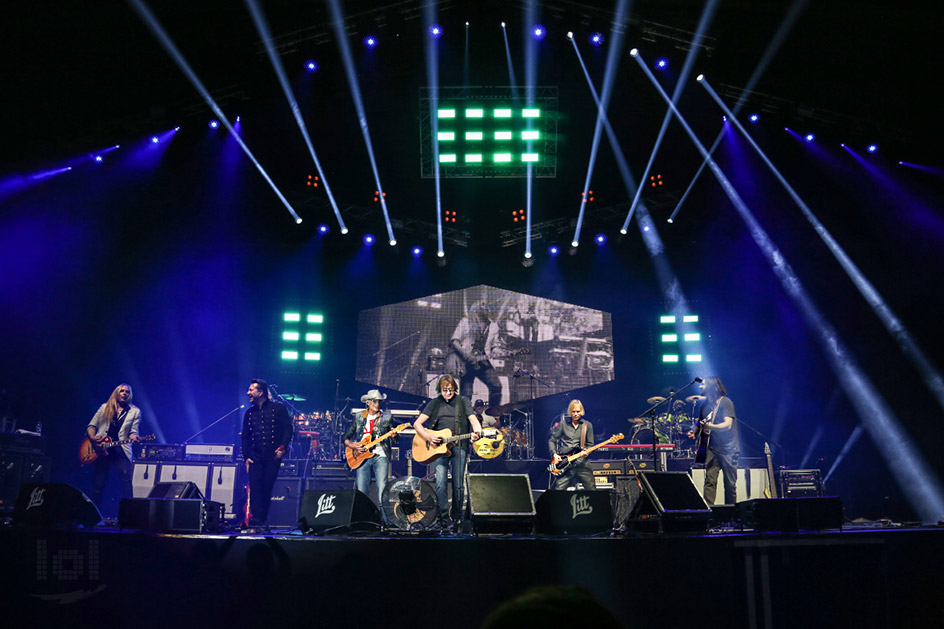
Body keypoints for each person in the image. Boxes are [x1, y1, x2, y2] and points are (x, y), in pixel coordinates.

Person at [413, 375, 482, 529]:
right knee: (440, 484)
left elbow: (474, 420)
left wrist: (477, 431)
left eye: (451, 390)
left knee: (458, 486)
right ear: (440, 390)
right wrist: (428, 436)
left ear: (454, 389)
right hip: (439, 449)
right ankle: (444, 519)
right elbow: (417, 424)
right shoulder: (435, 403)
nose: (448, 393)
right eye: (445, 390)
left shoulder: (462, 401)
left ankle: (457, 517)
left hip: (459, 446)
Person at [241, 379, 293, 528]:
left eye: (251, 390)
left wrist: (282, 447)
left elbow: (288, 429)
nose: (248, 393)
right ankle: (257, 520)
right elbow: (244, 437)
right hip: (255, 457)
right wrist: (246, 457)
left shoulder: (278, 408)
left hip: (272, 456)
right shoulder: (249, 413)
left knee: (266, 487)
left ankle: (262, 520)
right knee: (255, 488)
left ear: (260, 392)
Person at [87, 383, 141, 513]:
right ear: (116, 393)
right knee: (98, 484)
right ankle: (93, 515)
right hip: (101, 449)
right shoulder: (104, 407)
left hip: (120, 448)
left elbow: (133, 431)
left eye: (127, 392)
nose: (124, 393)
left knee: (126, 482)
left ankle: (129, 515)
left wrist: (134, 436)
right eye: (122, 391)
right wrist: (93, 438)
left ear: (130, 395)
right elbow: (91, 426)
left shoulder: (135, 411)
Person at [444, 301, 503, 414]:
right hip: (465, 362)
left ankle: (492, 415)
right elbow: (455, 341)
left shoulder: (494, 326)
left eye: (487, 305)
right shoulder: (466, 322)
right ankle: (463, 421)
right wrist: (466, 355)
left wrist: (498, 351)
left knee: (496, 386)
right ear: (476, 308)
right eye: (482, 305)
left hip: (482, 361)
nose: (486, 307)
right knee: (466, 394)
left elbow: (494, 346)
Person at [690, 376, 739, 505]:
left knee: (730, 484)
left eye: (703, 384)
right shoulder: (704, 405)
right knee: (709, 481)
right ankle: (709, 513)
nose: (700, 386)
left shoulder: (725, 402)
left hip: (728, 448)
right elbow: (700, 421)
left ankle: (731, 515)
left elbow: (728, 424)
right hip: (712, 448)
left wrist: (711, 427)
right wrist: (693, 431)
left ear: (711, 387)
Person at [343, 389, 394, 507]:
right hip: (362, 457)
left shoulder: (387, 417)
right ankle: (363, 520)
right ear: (367, 402)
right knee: (362, 491)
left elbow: (395, 438)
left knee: (382, 489)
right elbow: (346, 436)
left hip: (381, 455)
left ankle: (384, 522)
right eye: (374, 401)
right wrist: (352, 445)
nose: (377, 404)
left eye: (379, 402)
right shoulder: (359, 417)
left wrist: (395, 435)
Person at [548, 399, 596, 490]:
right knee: (558, 490)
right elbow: (552, 440)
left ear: (581, 411)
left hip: (582, 462)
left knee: (591, 489)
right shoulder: (563, 425)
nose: (576, 414)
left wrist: (586, 452)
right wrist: (554, 454)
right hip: (565, 463)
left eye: (578, 411)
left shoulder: (587, 425)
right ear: (570, 412)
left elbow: (590, 444)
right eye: (573, 412)